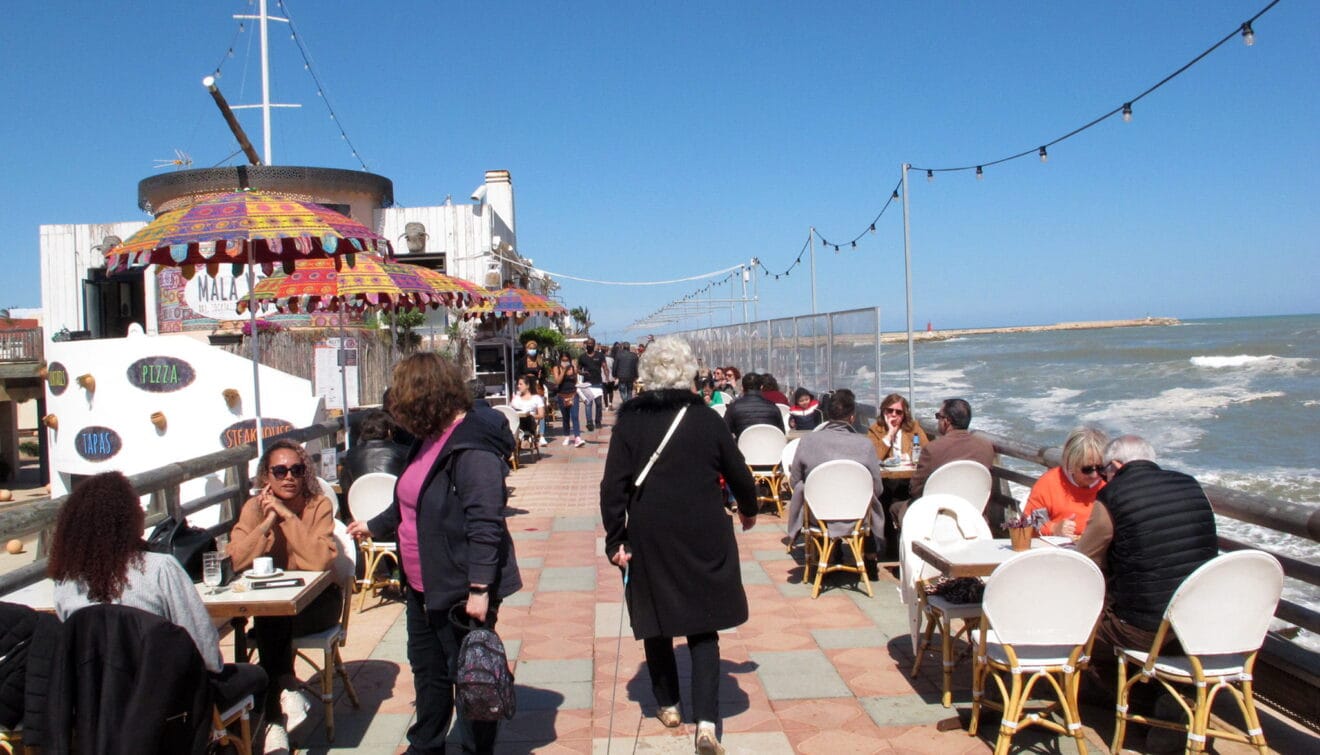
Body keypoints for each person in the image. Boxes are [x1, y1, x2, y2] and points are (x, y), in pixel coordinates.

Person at [347, 352, 522, 755]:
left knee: (472, 676)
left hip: (460, 585)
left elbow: (485, 523)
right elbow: (408, 496)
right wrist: (375, 525)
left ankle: (476, 750)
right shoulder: (427, 439)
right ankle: (426, 745)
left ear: (422, 400)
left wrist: (479, 588)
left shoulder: (472, 447)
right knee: (429, 671)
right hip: (421, 582)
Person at [600, 336, 757, 755]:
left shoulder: (630, 423)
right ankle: (706, 724)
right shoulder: (706, 419)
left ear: (647, 375)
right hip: (704, 531)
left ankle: (668, 704)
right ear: (688, 373)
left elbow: (612, 487)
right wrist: (749, 509)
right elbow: (739, 472)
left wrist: (615, 538)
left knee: (657, 619)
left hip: (650, 532)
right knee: (704, 627)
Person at [49, 472, 270, 748]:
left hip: (96, 706)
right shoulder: (160, 569)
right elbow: (206, 655)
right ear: (126, 518)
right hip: (166, 705)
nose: (143, 512)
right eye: (137, 506)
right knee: (257, 676)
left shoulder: (66, 581)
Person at [228, 440, 339, 737]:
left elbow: (319, 561)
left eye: (296, 470)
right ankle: (285, 697)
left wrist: (287, 517)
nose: (289, 477)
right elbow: (236, 559)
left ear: (305, 474)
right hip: (275, 607)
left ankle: (273, 718)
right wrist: (267, 522)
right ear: (266, 476)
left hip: (318, 602)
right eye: (280, 471)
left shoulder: (318, 505)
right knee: (271, 616)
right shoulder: (253, 508)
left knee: (269, 623)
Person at [1076, 435, 1218, 658]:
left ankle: (1093, 676)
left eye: (1104, 473)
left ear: (1115, 466)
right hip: (1196, 626)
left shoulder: (1113, 495)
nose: (1103, 480)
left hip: (1144, 631)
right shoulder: (1190, 484)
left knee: (1077, 624)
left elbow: (1084, 560)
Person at [785, 389, 885, 565]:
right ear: (852, 417)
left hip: (817, 515)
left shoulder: (808, 441)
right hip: (857, 514)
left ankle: (829, 550)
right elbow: (877, 488)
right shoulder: (865, 445)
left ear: (827, 416)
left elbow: (794, 481)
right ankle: (869, 554)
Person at [1023, 427, 1109, 538]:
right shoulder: (1050, 483)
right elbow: (1030, 520)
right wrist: (1054, 528)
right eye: (1087, 469)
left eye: (1100, 468)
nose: (1095, 475)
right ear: (1071, 464)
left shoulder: (1110, 483)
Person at [908, 397, 996, 501]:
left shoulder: (932, 449)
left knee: (896, 507)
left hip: (938, 508)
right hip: (974, 507)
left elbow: (915, 490)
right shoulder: (986, 447)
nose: (938, 420)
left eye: (938, 416)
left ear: (947, 421)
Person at [340, 409, 409, 505]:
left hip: (361, 507)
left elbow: (345, 485)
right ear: (389, 431)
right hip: (395, 507)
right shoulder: (404, 452)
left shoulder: (351, 454)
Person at [723, 373, 783, 438]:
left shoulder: (734, 407)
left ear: (742, 388)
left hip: (743, 443)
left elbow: (724, 431)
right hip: (768, 443)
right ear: (761, 387)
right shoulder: (773, 408)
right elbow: (781, 433)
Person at [552, 352, 586, 447]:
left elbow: (576, 381)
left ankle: (577, 437)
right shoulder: (556, 368)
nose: (565, 362)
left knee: (575, 416)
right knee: (565, 417)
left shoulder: (573, 367)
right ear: (560, 360)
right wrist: (563, 371)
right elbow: (557, 381)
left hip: (573, 394)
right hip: (562, 395)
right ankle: (567, 436)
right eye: (563, 360)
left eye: (567, 360)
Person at [577, 337, 608, 431]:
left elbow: (605, 366)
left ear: (594, 345)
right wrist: (583, 373)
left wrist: (607, 377)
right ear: (586, 345)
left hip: (598, 383)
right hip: (587, 384)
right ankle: (589, 422)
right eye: (588, 343)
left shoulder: (600, 355)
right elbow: (578, 369)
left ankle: (598, 421)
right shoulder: (582, 357)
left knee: (598, 404)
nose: (589, 345)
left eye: (591, 343)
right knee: (588, 403)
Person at [509, 375, 547, 446]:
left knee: (526, 418)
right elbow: (510, 411)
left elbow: (541, 415)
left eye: (521, 384)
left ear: (527, 386)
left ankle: (525, 438)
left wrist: (530, 415)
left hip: (530, 422)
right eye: (518, 384)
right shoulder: (516, 398)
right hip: (516, 422)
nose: (518, 386)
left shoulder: (536, 398)